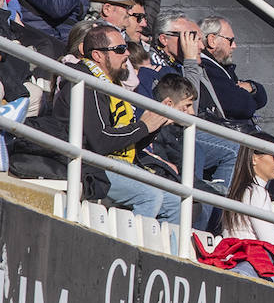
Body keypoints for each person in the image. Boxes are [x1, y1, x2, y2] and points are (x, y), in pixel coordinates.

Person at [17, 23, 179, 220]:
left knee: (173, 200)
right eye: (119, 49)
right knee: (150, 196)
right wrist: (143, 126)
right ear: (98, 55)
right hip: (88, 163)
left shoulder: (110, 83)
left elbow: (125, 143)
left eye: (125, 47)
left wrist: (154, 126)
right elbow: (101, 141)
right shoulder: (84, 82)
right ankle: (126, 250)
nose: (127, 54)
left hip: (109, 159)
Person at [198, 16, 267, 134]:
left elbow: (262, 98)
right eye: (230, 40)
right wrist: (246, 92)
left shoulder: (222, 67)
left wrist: (251, 87)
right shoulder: (207, 68)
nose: (234, 46)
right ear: (212, 40)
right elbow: (242, 107)